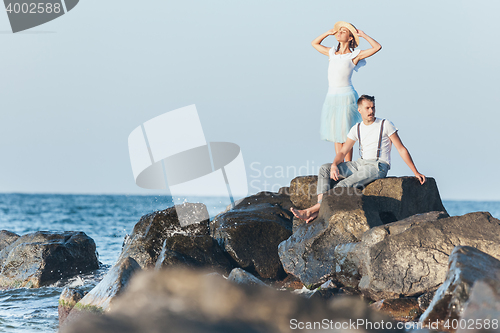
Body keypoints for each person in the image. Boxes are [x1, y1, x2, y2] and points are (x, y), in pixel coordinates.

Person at [291, 95, 426, 223]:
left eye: (373, 107)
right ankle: (319, 208)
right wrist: (334, 165)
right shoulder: (357, 128)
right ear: (359, 110)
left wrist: (415, 172)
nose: (371, 111)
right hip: (360, 163)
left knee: (342, 185)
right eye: (367, 108)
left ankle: (311, 211)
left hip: (377, 166)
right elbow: (343, 151)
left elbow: (401, 148)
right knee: (324, 169)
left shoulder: (385, 124)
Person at [312, 21, 381, 162]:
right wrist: (327, 33)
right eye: (339, 31)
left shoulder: (354, 55)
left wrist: (364, 35)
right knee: (336, 134)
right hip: (332, 96)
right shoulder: (332, 53)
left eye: (343, 31)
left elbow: (377, 47)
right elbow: (314, 43)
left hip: (346, 96)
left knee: (346, 134)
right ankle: (339, 165)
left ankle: (348, 165)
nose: (339, 33)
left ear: (350, 38)